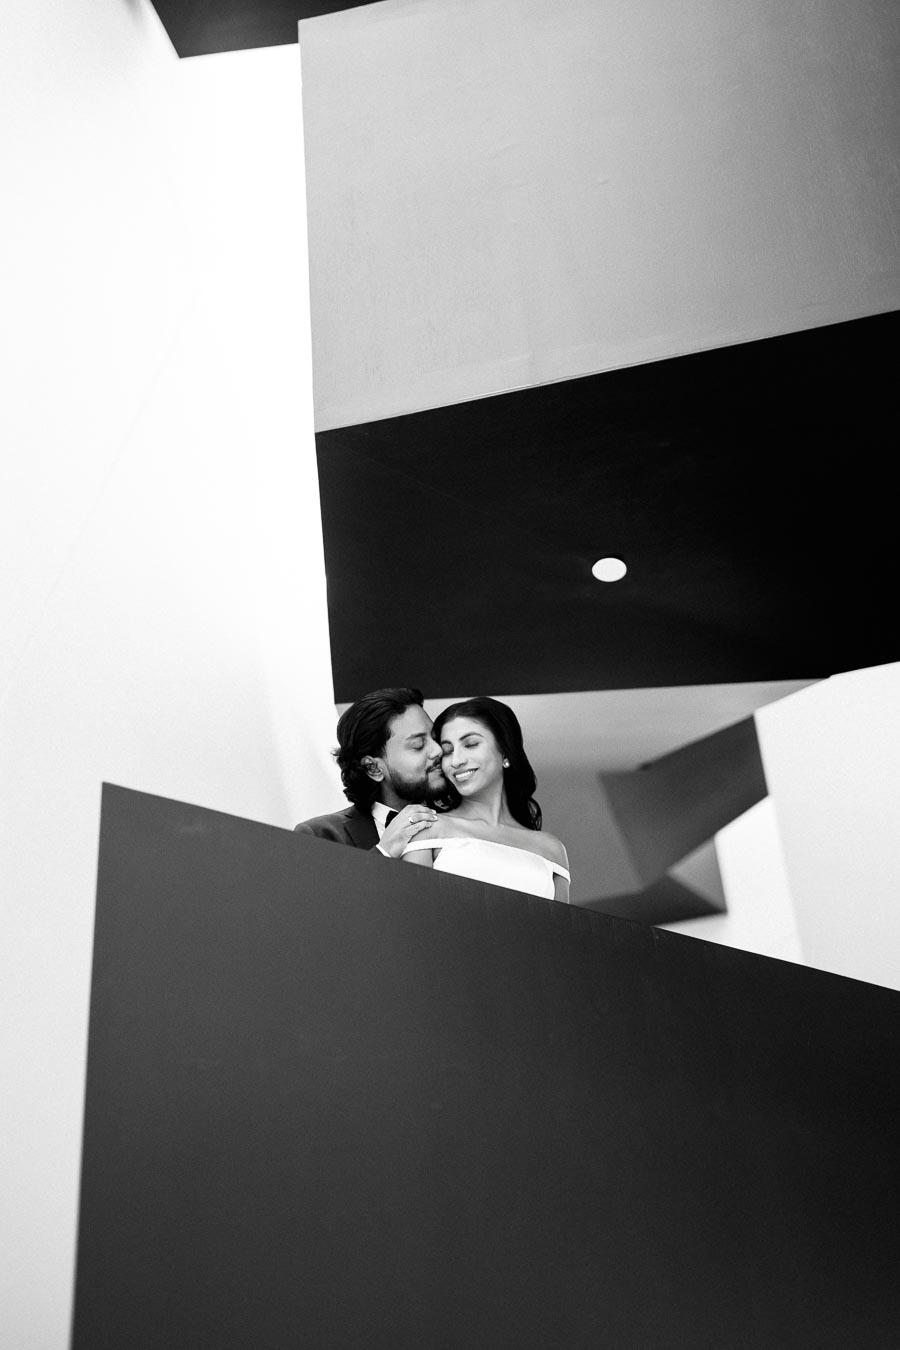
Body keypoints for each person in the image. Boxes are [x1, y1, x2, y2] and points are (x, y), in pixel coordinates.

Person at [400, 696, 570, 902]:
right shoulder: (427, 828)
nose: (456, 761)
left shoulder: (551, 849)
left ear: (505, 751)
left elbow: (562, 932)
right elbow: (412, 917)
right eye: (447, 751)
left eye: (470, 744)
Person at [294, 687, 444, 857]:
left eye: (435, 737)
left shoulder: (465, 819)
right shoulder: (319, 835)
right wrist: (383, 852)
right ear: (373, 768)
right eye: (418, 745)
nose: (437, 750)